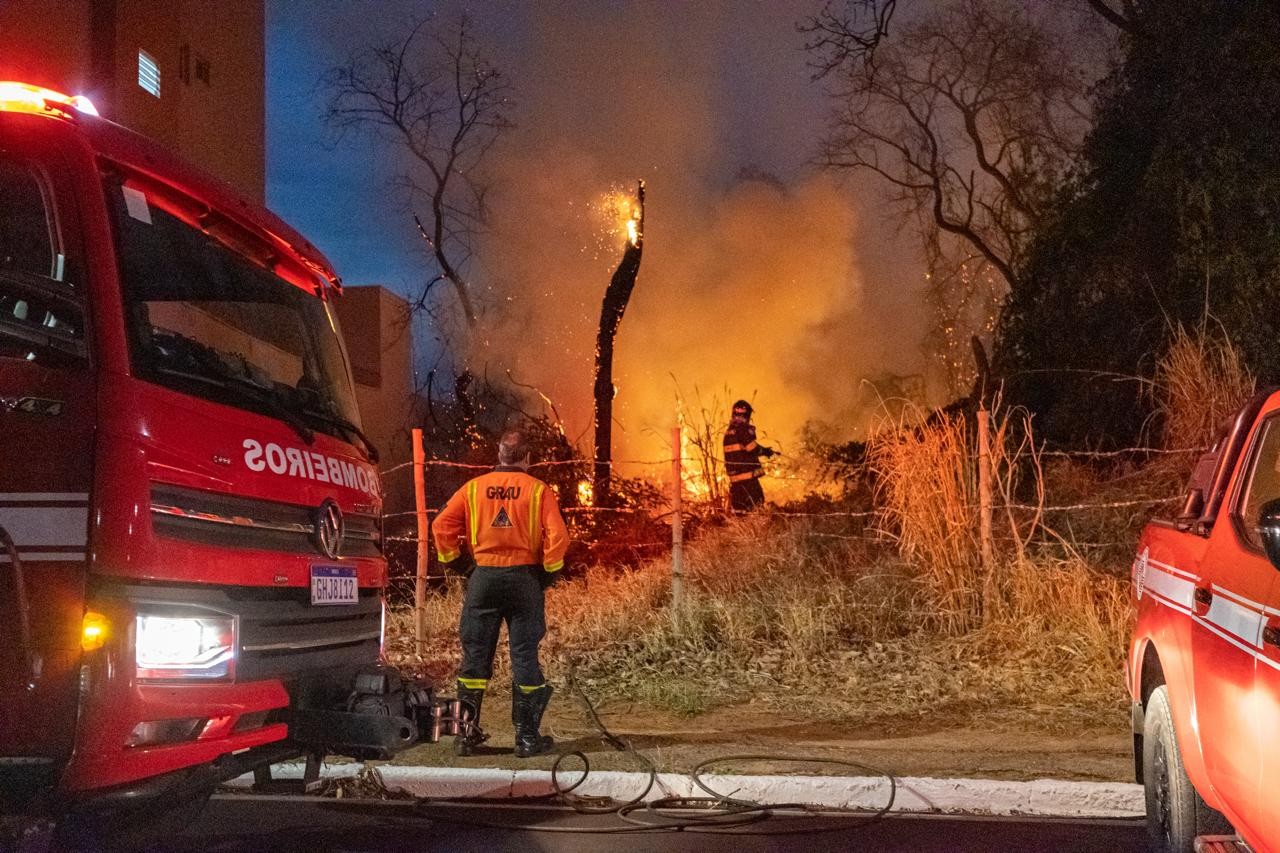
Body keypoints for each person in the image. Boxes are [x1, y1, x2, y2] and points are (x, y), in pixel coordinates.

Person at [432, 430, 569, 758]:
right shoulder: (538, 490)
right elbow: (559, 537)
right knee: (524, 656)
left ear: (499, 454)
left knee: (475, 658)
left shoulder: (473, 488)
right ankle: (526, 739)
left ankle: (465, 736)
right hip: (524, 580)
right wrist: (546, 574)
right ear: (527, 458)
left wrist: (463, 566)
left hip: (484, 579)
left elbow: (440, 527)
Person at [723, 400, 775, 513]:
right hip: (748, 480)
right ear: (746, 414)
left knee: (740, 512)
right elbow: (752, 448)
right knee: (757, 504)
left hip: (735, 482)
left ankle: (738, 530)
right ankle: (754, 529)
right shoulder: (742, 429)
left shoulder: (728, 432)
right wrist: (766, 451)